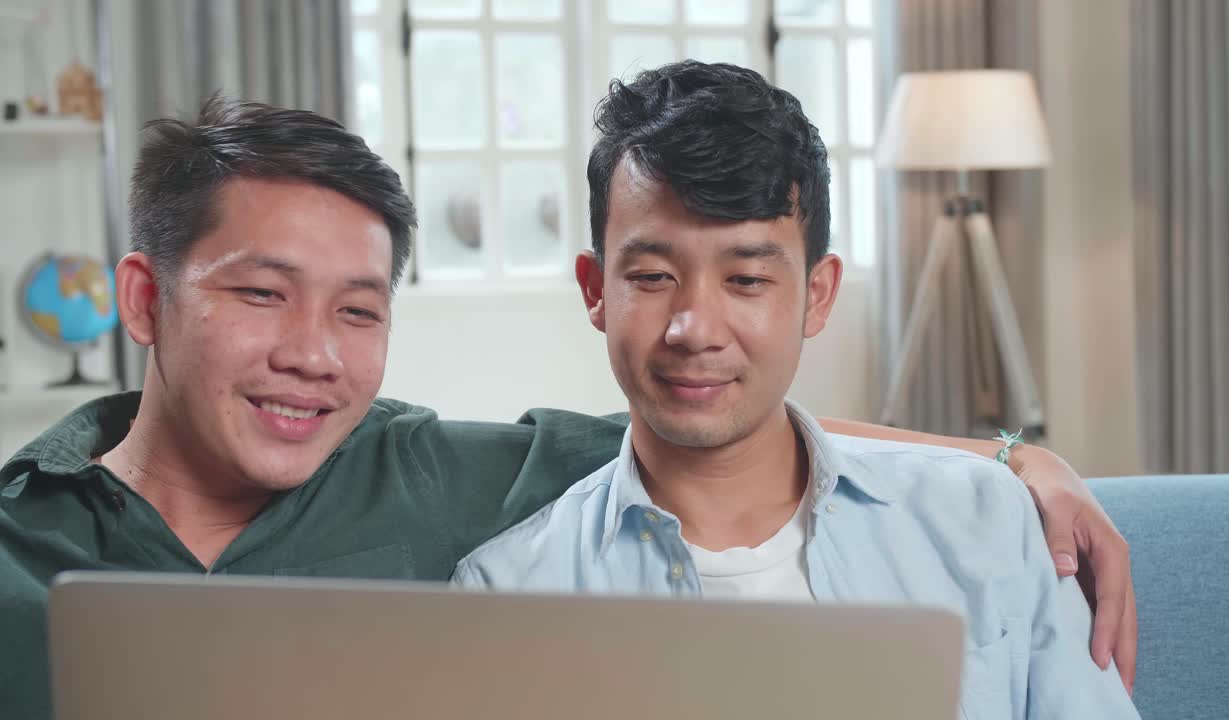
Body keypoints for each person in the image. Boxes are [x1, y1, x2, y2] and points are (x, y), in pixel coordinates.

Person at [0, 94, 1132, 719]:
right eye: (260, 294)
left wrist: (1006, 456)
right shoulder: (14, 539)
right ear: (144, 300)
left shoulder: (427, 471)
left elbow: (712, 420)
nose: (311, 357)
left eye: (357, 310)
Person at [451, 62, 1138, 718]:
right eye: (654, 277)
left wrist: (1020, 457)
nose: (695, 330)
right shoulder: (508, 595)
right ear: (597, 291)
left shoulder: (988, 522)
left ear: (817, 294)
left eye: (746, 280)